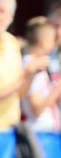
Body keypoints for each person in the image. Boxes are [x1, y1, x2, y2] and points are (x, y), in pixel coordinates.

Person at [21, 18, 61, 131]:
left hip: (44, 134)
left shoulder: (37, 64)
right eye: (53, 39)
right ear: (44, 41)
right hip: (38, 135)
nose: (55, 43)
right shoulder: (32, 66)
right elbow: (37, 110)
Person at [0, 0, 48, 130]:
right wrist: (25, 74)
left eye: (2, 11)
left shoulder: (12, 43)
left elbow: (19, 93)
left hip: (10, 131)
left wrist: (31, 74)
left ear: (11, 17)